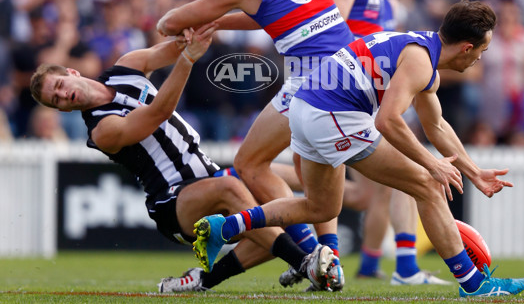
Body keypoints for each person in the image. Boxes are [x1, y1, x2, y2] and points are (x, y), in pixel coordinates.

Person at [194, 0, 524, 298]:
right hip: (332, 113)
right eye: (481, 51)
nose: (479, 59)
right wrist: (432, 164)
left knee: (320, 208)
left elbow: (436, 126)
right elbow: (388, 121)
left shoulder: (421, 55)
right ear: (466, 47)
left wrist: (474, 172)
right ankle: (473, 284)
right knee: (428, 185)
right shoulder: (419, 62)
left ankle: (224, 227)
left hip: (307, 109)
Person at [156, 0, 354, 289]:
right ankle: (329, 254)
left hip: (313, 80)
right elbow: (273, 15)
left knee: (250, 164)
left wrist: (173, 20)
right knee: (303, 166)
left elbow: (172, 21)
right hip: (348, 67)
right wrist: (220, 22)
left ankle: (313, 258)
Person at [29, 23, 336, 293]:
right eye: (55, 101)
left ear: (71, 72)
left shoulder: (126, 67)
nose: (62, 96)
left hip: (209, 175)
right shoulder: (101, 130)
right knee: (235, 189)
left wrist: (192, 30)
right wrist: (189, 58)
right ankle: (307, 262)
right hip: (173, 203)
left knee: (271, 204)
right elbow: (158, 112)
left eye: (59, 86)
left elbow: (173, 48)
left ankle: (206, 279)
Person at [327, 0, 450, 285]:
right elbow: (328, 31)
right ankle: (407, 267)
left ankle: (370, 264)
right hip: (342, 93)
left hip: (368, 97)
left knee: (376, 192)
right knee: (403, 176)